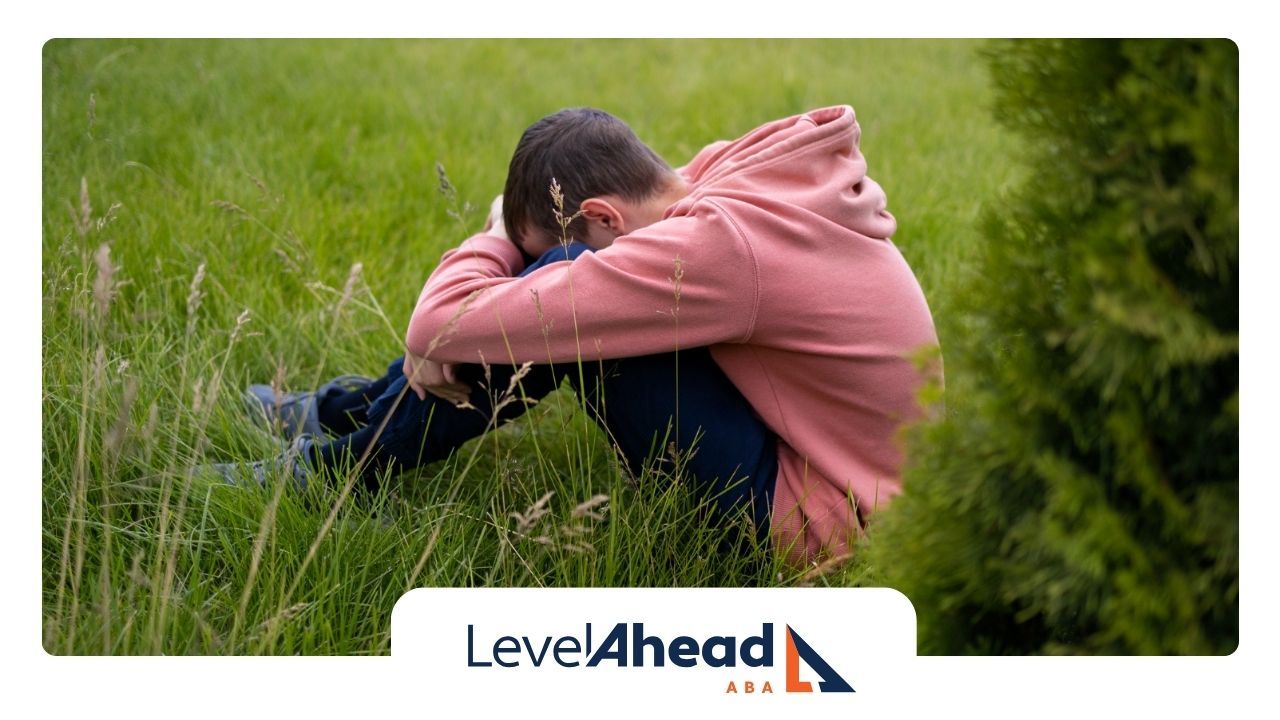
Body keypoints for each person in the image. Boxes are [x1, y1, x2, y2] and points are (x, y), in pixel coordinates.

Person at [219, 106, 940, 566]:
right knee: (557, 289)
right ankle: (341, 417)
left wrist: (497, 255)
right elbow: (455, 325)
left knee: (564, 282)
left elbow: (439, 323)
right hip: (843, 468)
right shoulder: (725, 178)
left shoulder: (718, 249)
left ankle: (339, 471)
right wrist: (490, 289)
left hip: (820, 522)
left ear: (602, 211)